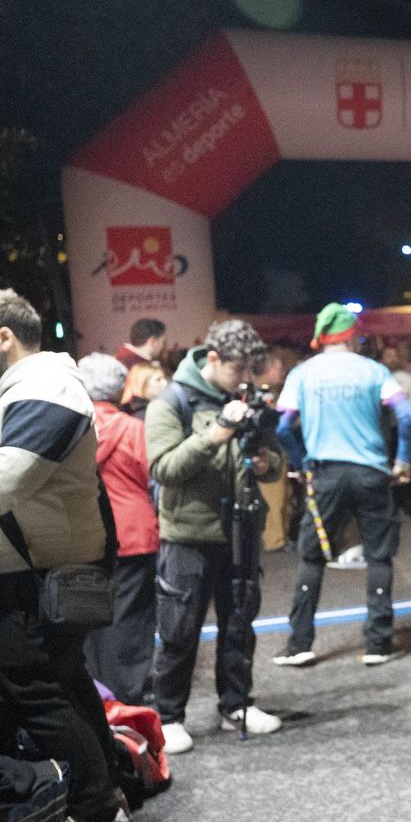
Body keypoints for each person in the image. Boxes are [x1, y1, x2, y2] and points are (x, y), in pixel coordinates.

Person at [0, 289, 135, 822]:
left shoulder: (47, 384)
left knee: (23, 678)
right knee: (63, 679)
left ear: (4, 335)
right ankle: (107, 798)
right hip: (36, 563)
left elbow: (7, 481)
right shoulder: (16, 389)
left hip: (48, 567)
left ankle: (99, 812)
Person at [147, 319, 285, 753]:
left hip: (240, 530)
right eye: (237, 369)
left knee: (240, 622)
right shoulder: (171, 402)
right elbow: (163, 469)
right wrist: (216, 433)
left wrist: (266, 464)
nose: (244, 379)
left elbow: (276, 461)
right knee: (179, 629)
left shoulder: (241, 397)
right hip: (188, 534)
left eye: (250, 371)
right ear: (212, 359)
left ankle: (236, 705)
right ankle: (168, 717)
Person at [273, 305, 411, 667]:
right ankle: (378, 644)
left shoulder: (303, 374)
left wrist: (302, 460)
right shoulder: (374, 370)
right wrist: (400, 460)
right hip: (371, 472)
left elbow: (282, 426)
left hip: (325, 473)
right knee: (379, 553)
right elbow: (407, 414)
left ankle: (299, 644)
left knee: (311, 555)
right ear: (352, 336)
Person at [77, 353, 159, 706]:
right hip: (135, 531)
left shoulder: (73, 428)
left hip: (85, 533)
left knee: (90, 613)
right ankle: (129, 687)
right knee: (134, 616)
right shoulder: (134, 428)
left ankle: (98, 687)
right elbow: (151, 478)